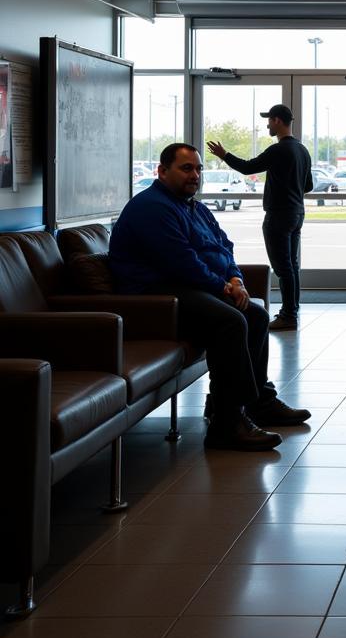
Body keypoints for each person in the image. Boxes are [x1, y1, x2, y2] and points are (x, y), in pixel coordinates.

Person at [110, 143, 310, 451]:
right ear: (162, 171)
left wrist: (235, 279)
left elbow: (223, 247)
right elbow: (180, 261)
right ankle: (226, 423)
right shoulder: (151, 207)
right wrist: (222, 287)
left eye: (199, 169)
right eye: (186, 168)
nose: (195, 175)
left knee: (255, 315)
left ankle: (259, 402)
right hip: (154, 300)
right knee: (230, 321)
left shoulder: (194, 207)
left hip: (187, 288)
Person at [207, 103, 313, 330]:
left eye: (269, 120)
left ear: (277, 121)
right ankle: (292, 311)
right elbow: (309, 185)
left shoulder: (278, 150)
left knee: (283, 268)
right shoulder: (302, 150)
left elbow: (247, 168)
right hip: (297, 213)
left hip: (278, 215)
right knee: (291, 266)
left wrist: (224, 154)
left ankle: (288, 316)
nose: (267, 125)